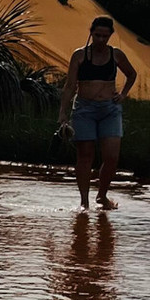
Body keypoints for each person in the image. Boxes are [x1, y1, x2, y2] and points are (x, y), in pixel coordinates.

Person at [58, 16, 137, 210]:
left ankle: (102, 195)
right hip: (84, 109)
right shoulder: (79, 55)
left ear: (110, 35)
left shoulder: (116, 54)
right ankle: (84, 202)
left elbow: (132, 74)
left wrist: (123, 94)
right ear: (91, 33)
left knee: (111, 157)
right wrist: (63, 113)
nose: (101, 39)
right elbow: (70, 85)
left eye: (105, 36)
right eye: (97, 35)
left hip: (110, 109)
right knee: (85, 156)